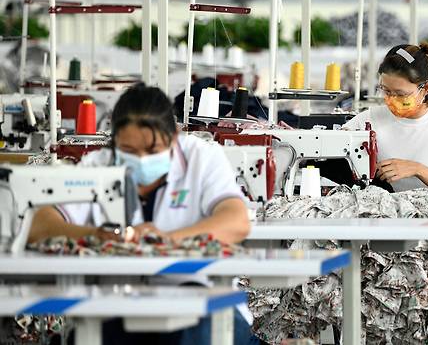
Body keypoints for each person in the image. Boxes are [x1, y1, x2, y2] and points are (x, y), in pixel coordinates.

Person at [27, 84, 256, 345]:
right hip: (121, 300)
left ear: (174, 137)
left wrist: (165, 240)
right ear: (113, 143)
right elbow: (40, 224)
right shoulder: (99, 165)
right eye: (129, 151)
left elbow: (236, 221)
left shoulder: (202, 158)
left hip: (199, 293)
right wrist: (98, 236)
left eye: (152, 150)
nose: (142, 159)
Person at [344, 42, 428, 197]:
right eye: (386, 91)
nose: (391, 99)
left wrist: (417, 169)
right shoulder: (369, 119)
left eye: (401, 94)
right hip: (383, 216)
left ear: (426, 89)